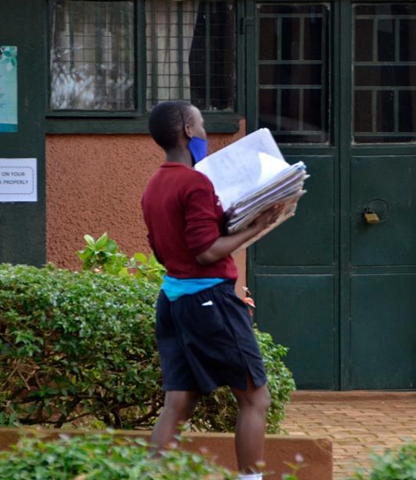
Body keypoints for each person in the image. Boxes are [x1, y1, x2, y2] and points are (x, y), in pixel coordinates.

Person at [142, 100, 282, 480]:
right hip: (209, 302)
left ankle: (150, 476)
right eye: (201, 125)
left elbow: (162, 252)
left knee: (178, 402)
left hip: (172, 301)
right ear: (187, 130)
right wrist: (258, 226)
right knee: (255, 397)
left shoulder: (154, 185)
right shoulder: (195, 182)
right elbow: (205, 252)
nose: (204, 132)